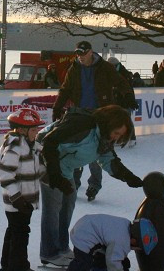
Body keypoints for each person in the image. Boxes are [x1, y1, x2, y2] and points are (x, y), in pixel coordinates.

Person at [37, 105, 143, 268]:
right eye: (116, 133)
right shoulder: (82, 126)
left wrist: (130, 178)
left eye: (119, 136)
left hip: (64, 167)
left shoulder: (104, 139)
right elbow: (49, 142)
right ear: (109, 125)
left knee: (68, 203)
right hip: (45, 159)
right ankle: (49, 252)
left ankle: (62, 248)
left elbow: (109, 160)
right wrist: (55, 176)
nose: (115, 138)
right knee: (54, 207)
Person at [52, 40, 136, 202]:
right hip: (79, 113)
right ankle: (74, 182)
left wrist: (128, 95)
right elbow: (65, 89)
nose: (81, 57)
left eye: (83, 54)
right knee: (75, 147)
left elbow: (121, 82)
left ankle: (94, 185)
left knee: (97, 149)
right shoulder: (74, 68)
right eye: (78, 54)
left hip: (100, 114)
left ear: (91, 52)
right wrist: (58, 107)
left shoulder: (105, 67)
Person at [47, 213, 147, 271]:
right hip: (84, 235)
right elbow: (114, 262)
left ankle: (99, 267)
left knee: (108, 249)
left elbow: (120, 256)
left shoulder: (126, 225)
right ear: (134, 241)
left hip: (87, 224)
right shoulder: (122, 241)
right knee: (83, 262)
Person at [0, 108, 45, 271]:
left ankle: (7, 263)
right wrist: (17, 199)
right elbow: (5, 176)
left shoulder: (33, 147)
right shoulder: (14, 148)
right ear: (22, 130)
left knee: (13, 230)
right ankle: (17, 270)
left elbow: (37, 168)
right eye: (34, 130)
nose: (37, 133)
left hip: (26, 199)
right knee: (20, 232)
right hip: (17, 201)